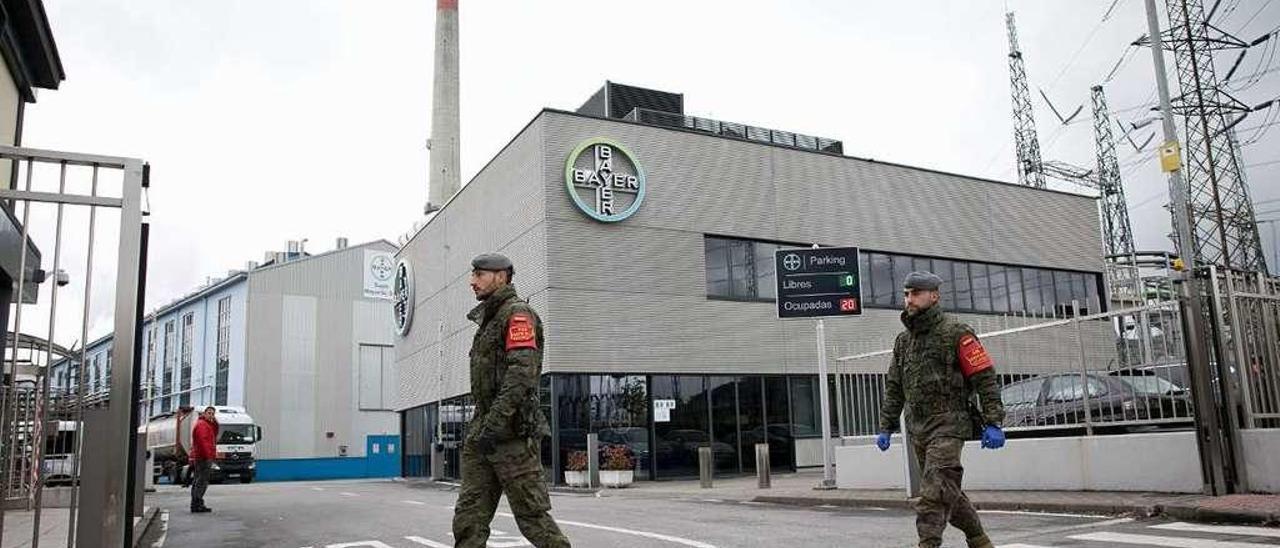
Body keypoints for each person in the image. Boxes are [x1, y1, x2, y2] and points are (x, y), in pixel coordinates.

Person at [876, 271, 1006, 548]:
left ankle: (928, 544)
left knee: (934, 492)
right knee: (949, 493)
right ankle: (980, 540)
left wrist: (994, 421)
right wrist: (886, 426)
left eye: (915, 293)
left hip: (950, 423)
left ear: (933, 296)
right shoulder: (903, 341)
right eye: (906, 294)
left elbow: (984, 378)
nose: (909, 299)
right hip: (919, 428)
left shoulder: (957, 333)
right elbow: (895, 386)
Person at [451, 253, 570, 548]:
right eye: (473, 274)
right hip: (484, 433)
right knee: (469, 518)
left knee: (532, 517)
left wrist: (493, 425)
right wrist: (482, 430)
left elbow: (521, 376)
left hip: (512, 434)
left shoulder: (517, 315)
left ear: (501, 276)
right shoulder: (489, 320)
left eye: (479, 274)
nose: (472, 281)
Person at [190, 406, 218, 513]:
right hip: (203, 457)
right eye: (209, 413)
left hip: (203, 456)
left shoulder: (206, 425)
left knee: (200, 480)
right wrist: (208, 456)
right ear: (204, 413)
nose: (211, 415)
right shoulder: (202, 425)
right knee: (202, 481)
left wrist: (214, 421)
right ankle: (197, 503)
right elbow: (203, 442)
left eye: (213, 414)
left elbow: (215, 433)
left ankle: (196, 503)